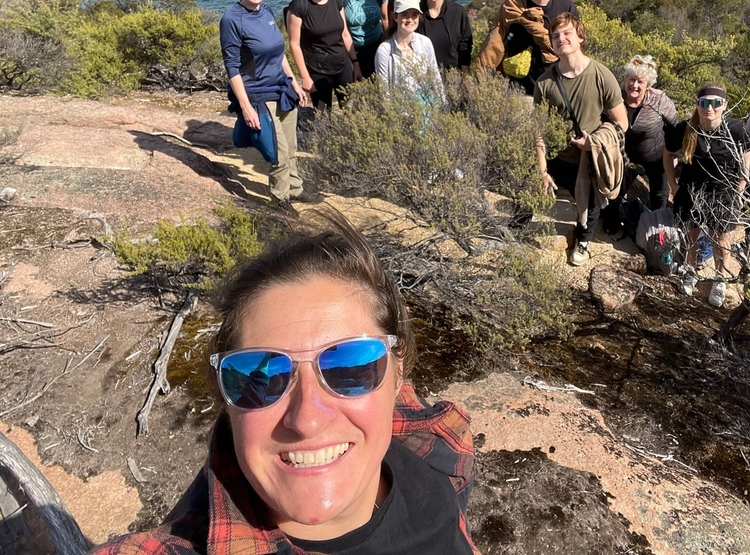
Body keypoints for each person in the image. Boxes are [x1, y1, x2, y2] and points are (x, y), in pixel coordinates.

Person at [93, 211, 479, 555]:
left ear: (398, 372)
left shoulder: (437, 449)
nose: (307, 419)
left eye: (349, 365)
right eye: (265, 377)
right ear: (227, 400)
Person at [534, 13, 627, 266]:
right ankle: (517, 229)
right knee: (529, 185)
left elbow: (622, 122)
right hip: (557, 155)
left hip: (589, 157)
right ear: (551, 43)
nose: (561, 39)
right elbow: (539, 130)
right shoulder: (544, 83)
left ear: (580, 37)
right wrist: (542, 170)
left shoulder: (600, 75)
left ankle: (583, 241)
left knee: (590, 202)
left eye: (567, 33)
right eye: (555, 36)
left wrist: (594, 144)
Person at [220, 0, 308, 204]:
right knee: (277, 152)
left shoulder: (267, 11)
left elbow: (278, 53)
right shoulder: (231, 20)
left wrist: (294, 83)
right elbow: (232, 67)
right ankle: (280, 202)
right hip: (258, 95)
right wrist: (246, 106)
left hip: (281, 89)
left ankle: (295, 189)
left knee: (290, 147)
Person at [664, 83, 750, 308]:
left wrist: (740, 188)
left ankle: (720, 279)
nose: (709, 108)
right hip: (691, 190)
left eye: (715, 103)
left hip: (723, 192)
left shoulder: (736, 129)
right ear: (697, 104)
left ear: (724, 105)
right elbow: (667, 154)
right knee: (691, 236)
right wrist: (673, 186)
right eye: (704, 103)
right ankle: (691, 271)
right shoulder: (686, 128)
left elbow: (746, 159)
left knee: (721, 239)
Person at [477, 0, 579, 95]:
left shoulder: (566, 7)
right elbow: (494, 42)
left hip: (556, 89)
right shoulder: (513, 4)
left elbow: (576, 48)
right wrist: (480, 79)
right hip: (519, 92)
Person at [603, 55, 679, 236]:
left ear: (648, 85)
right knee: (614, 192)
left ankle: (656, 233)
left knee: (659, 195)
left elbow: (675, 129)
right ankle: (612, 226)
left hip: (655, 156)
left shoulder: (659, 101)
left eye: (640, 82)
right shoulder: (615, 98)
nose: (634, 86)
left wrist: (675, 156)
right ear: (625, 80)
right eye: (631, 80)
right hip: (624, 156)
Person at [286, 0, 357, 111]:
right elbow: (294, 44)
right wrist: (305, 76)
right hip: (317, 70)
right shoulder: (299, 5)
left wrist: (355, 62)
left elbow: (345, 34)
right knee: (324, 115)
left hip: (342, 65)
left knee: (351, 111)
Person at [374, 0, 445, 105]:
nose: (410, 20)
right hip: (399, 110)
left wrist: (444, 105)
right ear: (395, 17)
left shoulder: (425, 43)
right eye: (405, 15)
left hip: (427, 107)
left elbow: (435, 77)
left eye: (414, 15)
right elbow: (384, 90)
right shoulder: (384, 50)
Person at [418, 0, 473, 73]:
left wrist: (465, 77)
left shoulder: (458, 12)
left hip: (453, 79)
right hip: (425, 80)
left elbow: (465, 47)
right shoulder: (416, 14)